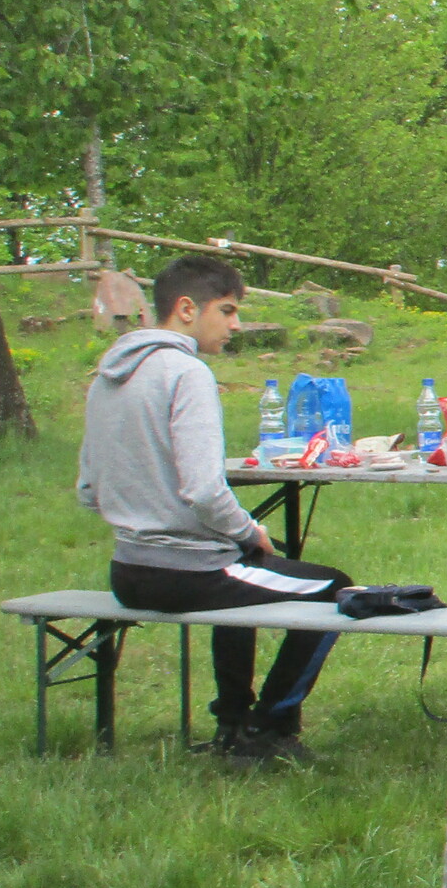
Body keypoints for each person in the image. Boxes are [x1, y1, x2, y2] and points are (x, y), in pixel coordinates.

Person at [78, 255, 351, 762]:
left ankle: (232, 722)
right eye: (227, 310)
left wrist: (148, 519)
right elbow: (204, 491)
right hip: (185, 574)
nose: (236, 325)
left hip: (128, 570)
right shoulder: (187, 373)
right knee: (336, 588)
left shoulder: (106, 377)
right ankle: (267, 728)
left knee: (243, 565)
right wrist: (248, 530)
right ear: (187, 309)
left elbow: (89, 489)